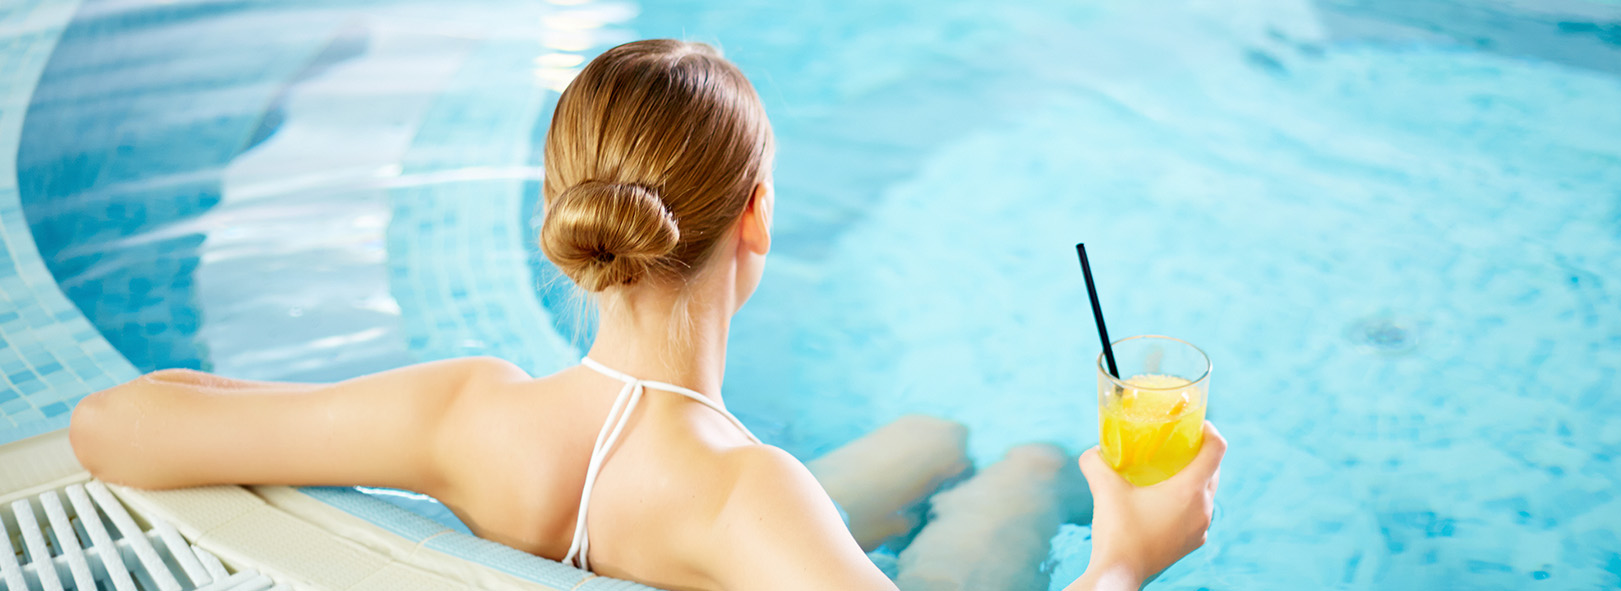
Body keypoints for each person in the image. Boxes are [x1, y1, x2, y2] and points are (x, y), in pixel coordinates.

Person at [68, 39, 1226, 591]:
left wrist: (326, 420)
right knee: (1020, 469)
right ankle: (1013, 481)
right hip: (718, 539)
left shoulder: (461, 413)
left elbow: (113, 427)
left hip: (663, 523)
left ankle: (949, 467)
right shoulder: (746, 492)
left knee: (928, 443)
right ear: (757, 218)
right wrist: (1128, 557)